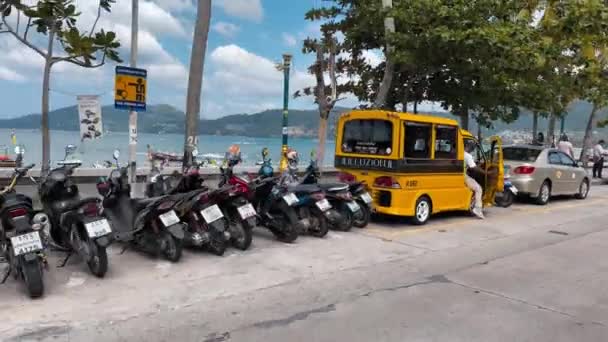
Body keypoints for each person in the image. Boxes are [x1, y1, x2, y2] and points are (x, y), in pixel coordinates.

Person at [464, 141, 485, 219]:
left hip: (460, 174)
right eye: (473, 148)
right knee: (479, 189)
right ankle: (478, 209)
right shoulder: (468, 156)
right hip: (463, 176)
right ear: (471, 148)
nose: (473, 150)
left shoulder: (460, 153)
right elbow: (474, 168)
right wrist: (486, 172)